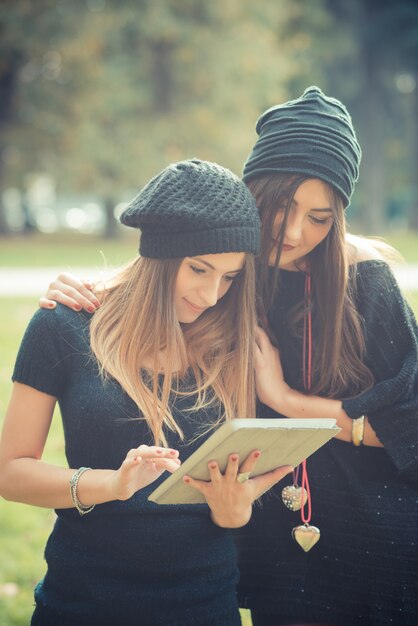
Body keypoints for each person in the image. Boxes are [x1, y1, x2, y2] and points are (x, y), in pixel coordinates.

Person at [41, 87, 418, 626]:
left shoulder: (363, 279)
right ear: (252, 191)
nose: (294, 232)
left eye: (319, 217)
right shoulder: (231, 271)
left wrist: (284, 399)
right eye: (283, 206)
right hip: (264, 547)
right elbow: (163, 271)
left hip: (373, 537)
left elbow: (412, 428)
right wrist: (88, 289)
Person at [0, 158, 293, 626]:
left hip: (205, 607)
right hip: (82, 604)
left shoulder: (242, 341)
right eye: (199, 269)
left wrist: (234, 510)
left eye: (230, 276)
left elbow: (235, 515)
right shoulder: (65, 324)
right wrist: (112, 485)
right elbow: (11, 473)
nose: (213, 294)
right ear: (159, 255)